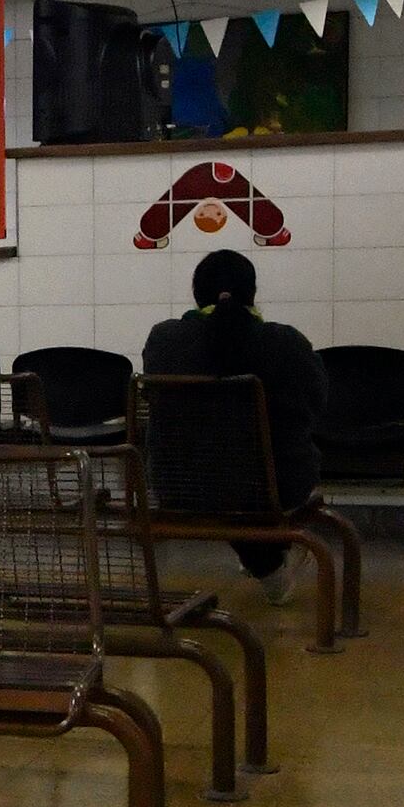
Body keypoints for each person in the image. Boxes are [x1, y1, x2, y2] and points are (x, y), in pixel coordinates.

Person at [142, 248, 332, 602]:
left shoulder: (163, 340)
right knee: (254, 468)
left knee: (216, 468)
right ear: (252, 293)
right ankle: (270, 563)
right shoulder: (285, 342)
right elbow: (317, 404)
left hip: (176, 490)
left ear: (197, 295)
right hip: (270, 489)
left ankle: (266, 565)